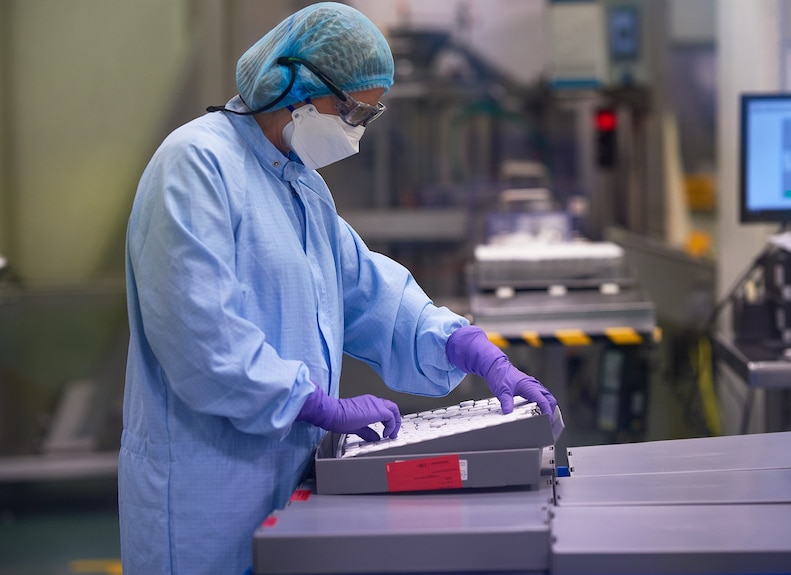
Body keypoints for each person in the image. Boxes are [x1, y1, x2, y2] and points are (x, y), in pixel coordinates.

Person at [118, 3, 558, 574]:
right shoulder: (197, 165)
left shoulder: (301, 187)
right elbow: (200, 339)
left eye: (369, 116)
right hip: (206, 495)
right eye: (352, 111)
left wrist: (465, 347)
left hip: (286, 485)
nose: (355, 131)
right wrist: (313, 403)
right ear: (291, 82)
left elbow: (372, 295)